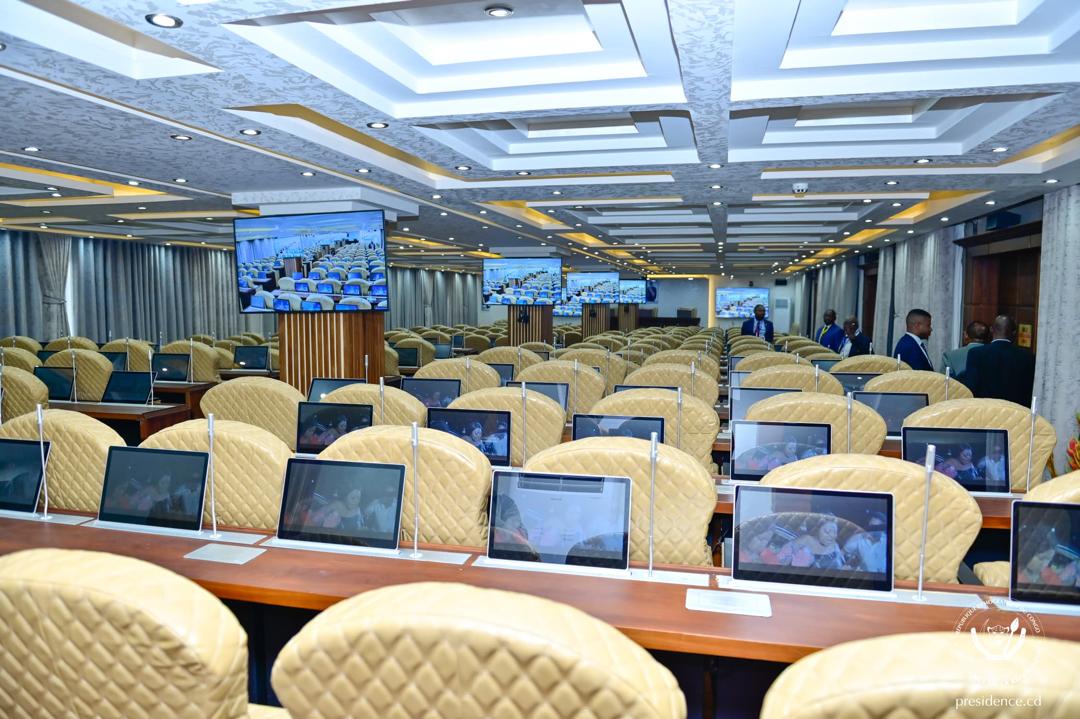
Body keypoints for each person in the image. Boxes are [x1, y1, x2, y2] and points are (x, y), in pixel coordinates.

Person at [963, 315, 1036, 407]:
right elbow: (1029, 390)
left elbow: (971, 387)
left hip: (985, 409)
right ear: (1014, 332)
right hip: (1015, 411)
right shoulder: (1028, 357)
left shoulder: (976, 353)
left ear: (991, 330)